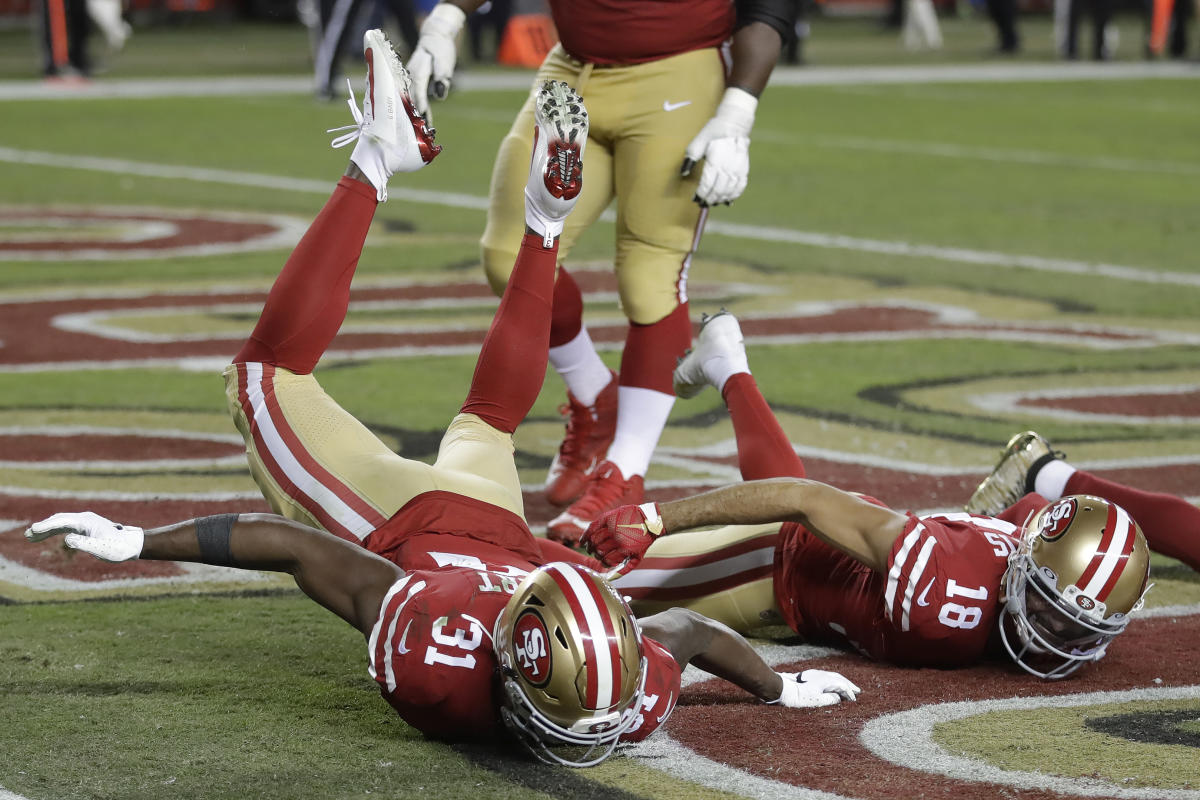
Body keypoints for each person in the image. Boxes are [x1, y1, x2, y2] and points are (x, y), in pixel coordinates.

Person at [24, 38, 860, 768]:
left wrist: (774, 686)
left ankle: (542, 227)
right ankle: (383, 160)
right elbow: (298, 550)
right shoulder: (436, 661)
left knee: (488, 421)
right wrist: (140, 542)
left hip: (517, 542)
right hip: (417, 526)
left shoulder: (619, 674)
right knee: (265, 378)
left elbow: (679, 633)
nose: (588, 738)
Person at [585, 311, 1199, 680]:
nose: (1050, 635)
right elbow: (803, 500)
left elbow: (1026, 517)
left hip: (869, 551)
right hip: (778, 571)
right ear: (1022, 568)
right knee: (588, 595)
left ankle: (728, 364)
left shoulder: (1028, 546)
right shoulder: (947, 590)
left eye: (1073, 625)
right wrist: (658, 517)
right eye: (1046, 609)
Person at [405, 0, 794, 545]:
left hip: (678, 74)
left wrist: (737, 112)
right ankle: (594, 393)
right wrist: (447, 19)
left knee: (649, 276)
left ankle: (624, 471)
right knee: (509, 255)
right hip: (570, 69)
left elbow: (769, 8)